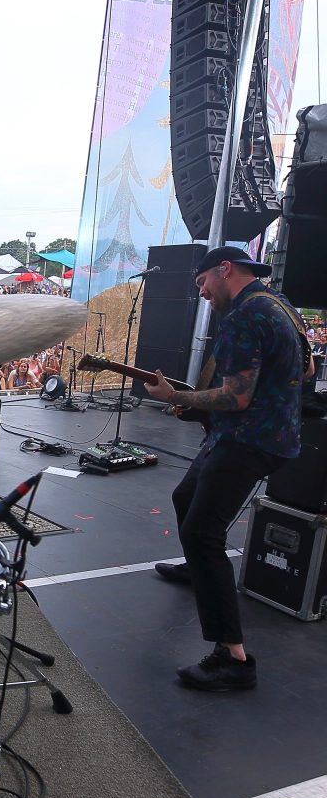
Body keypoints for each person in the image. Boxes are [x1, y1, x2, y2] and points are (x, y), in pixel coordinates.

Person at [145, 246, 314, 691]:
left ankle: (233, 658)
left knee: (203, 533)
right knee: (185, 496)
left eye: (202, 282)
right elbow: (309, 366)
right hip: (267, 433)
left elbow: (235, 398)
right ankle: (197, 568)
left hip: (248, 441)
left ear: (224, 270)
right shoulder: (279, 304)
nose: (201, 292)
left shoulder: (243, 316)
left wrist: (175, 397)